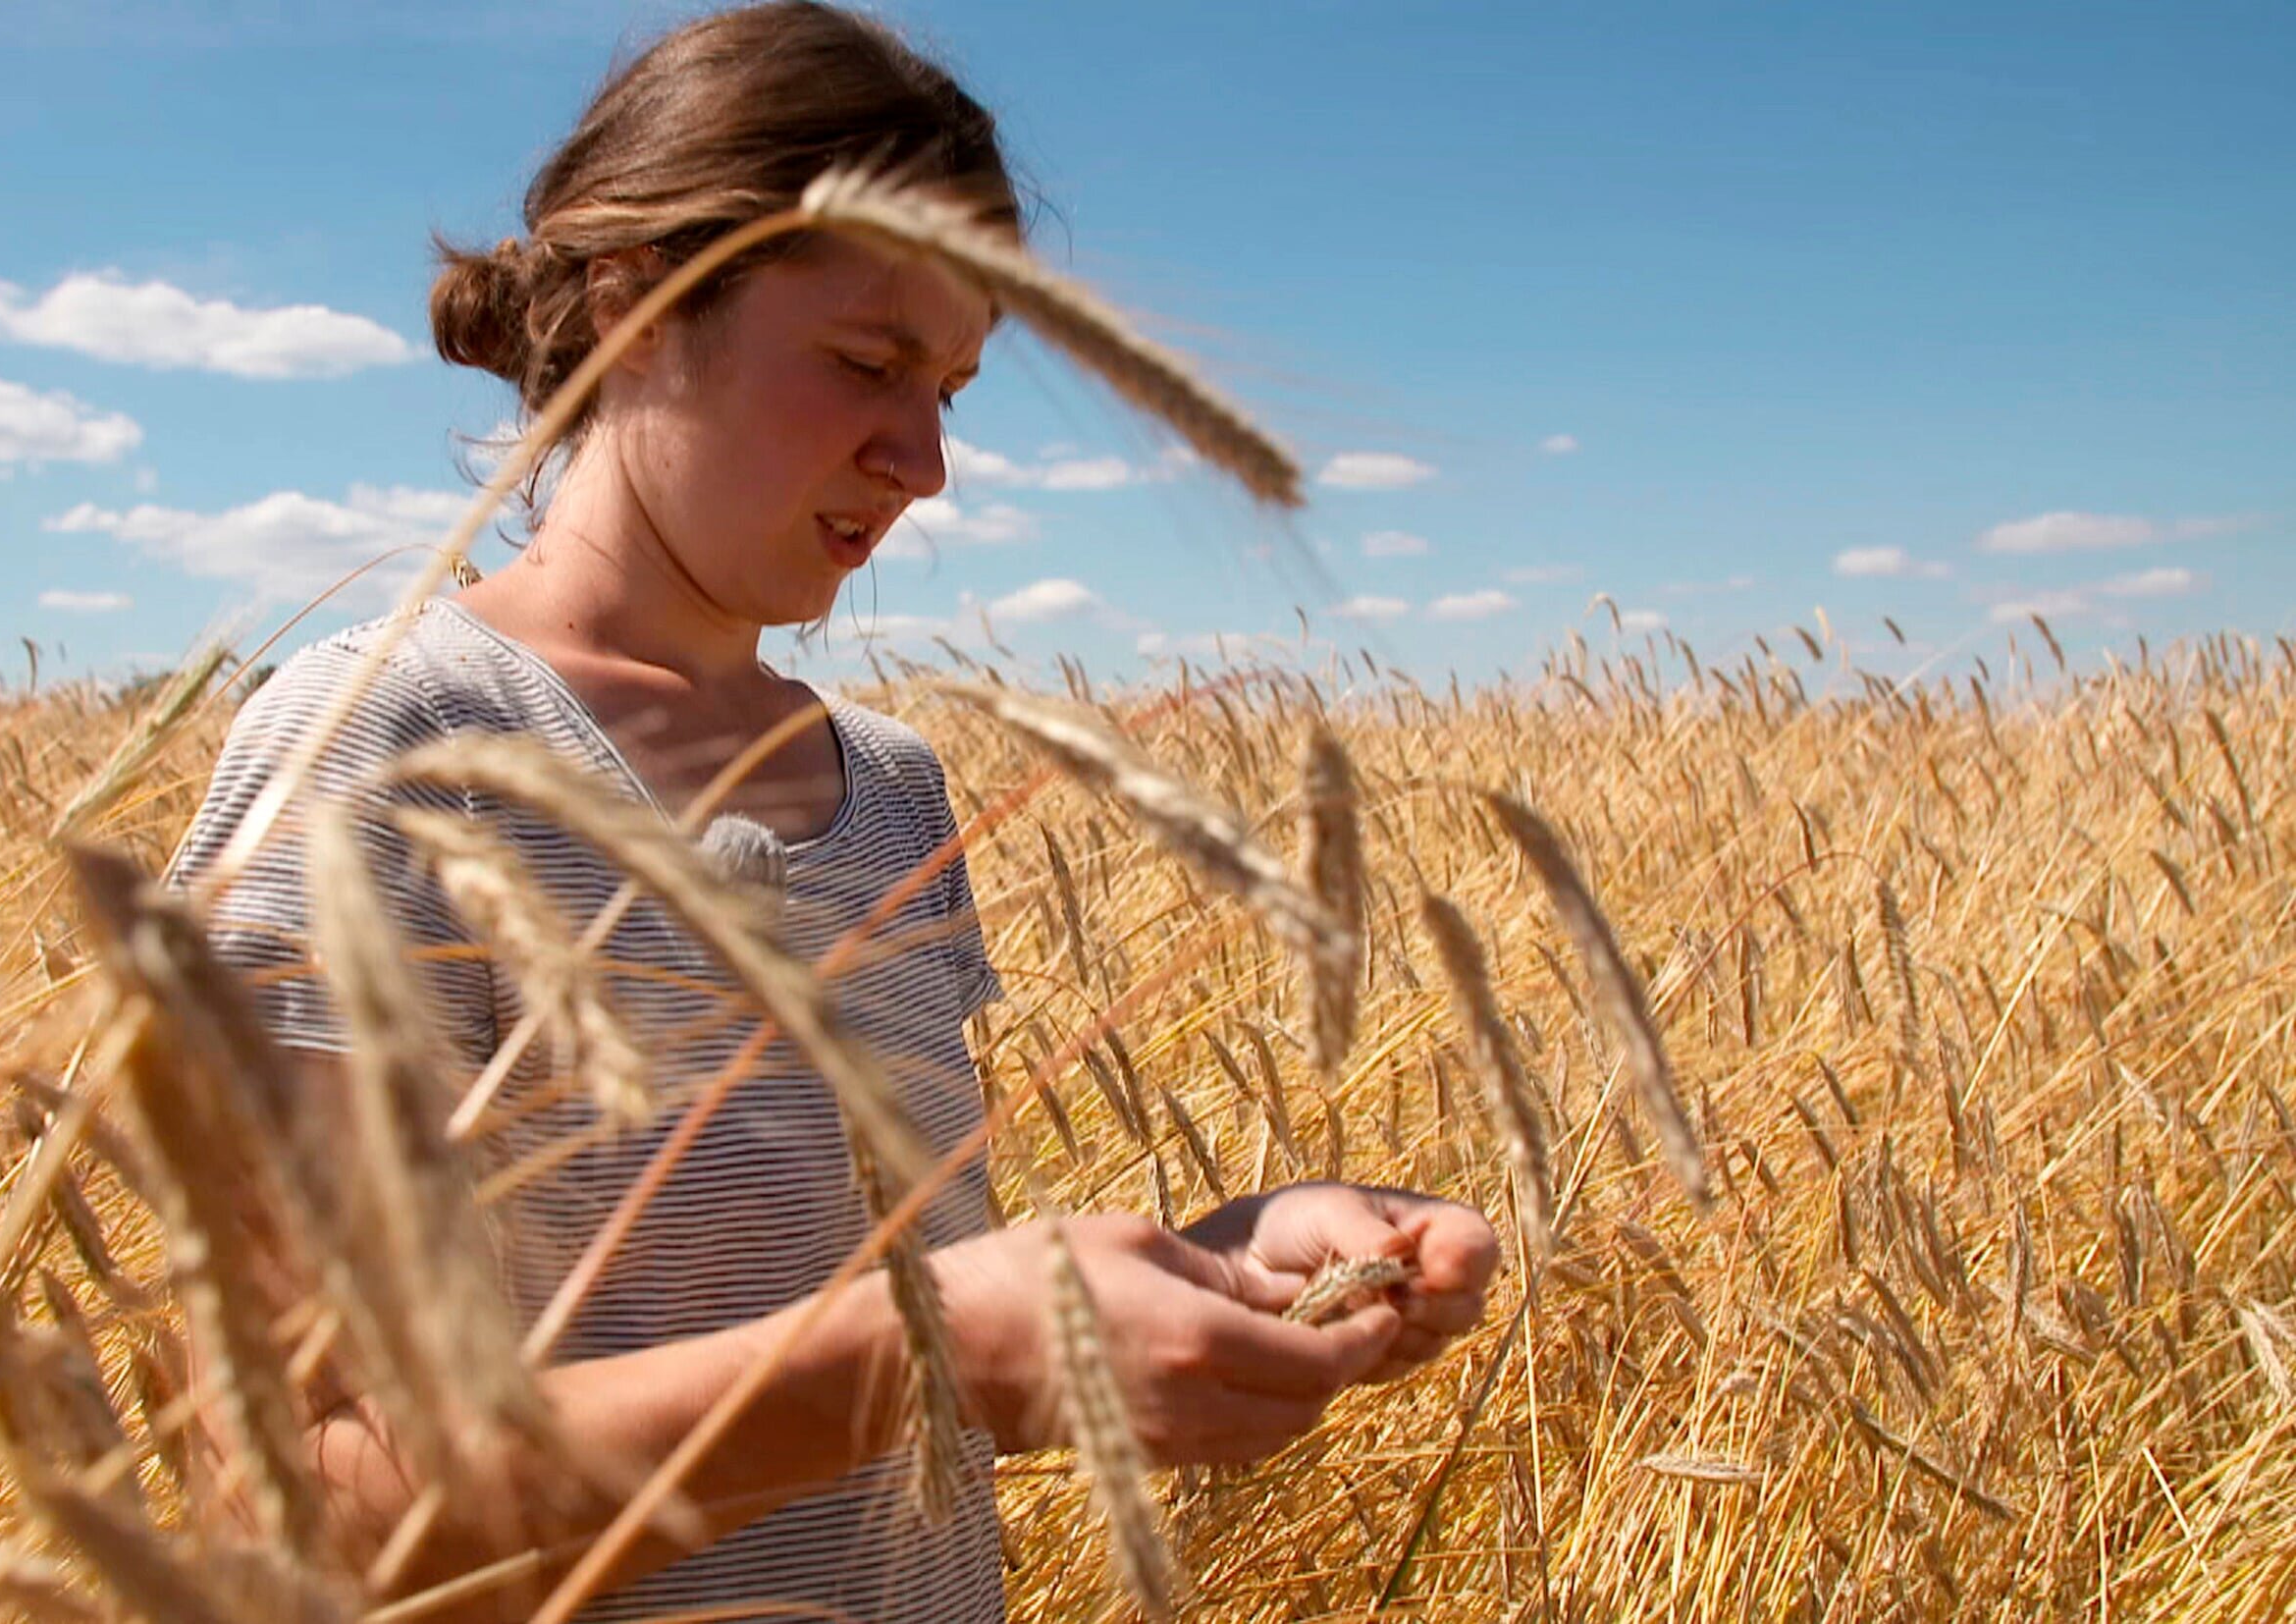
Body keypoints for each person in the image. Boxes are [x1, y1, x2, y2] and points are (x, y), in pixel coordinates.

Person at [162, 4, 1499, 1619]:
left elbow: (897, 1353)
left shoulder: (891, 790)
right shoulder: (381, 746)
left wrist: (1225, 1264)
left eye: (952, 386)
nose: (924, 458)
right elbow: (296, 1491)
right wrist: (927, 1350)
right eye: (869, 363)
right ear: (634, 306)